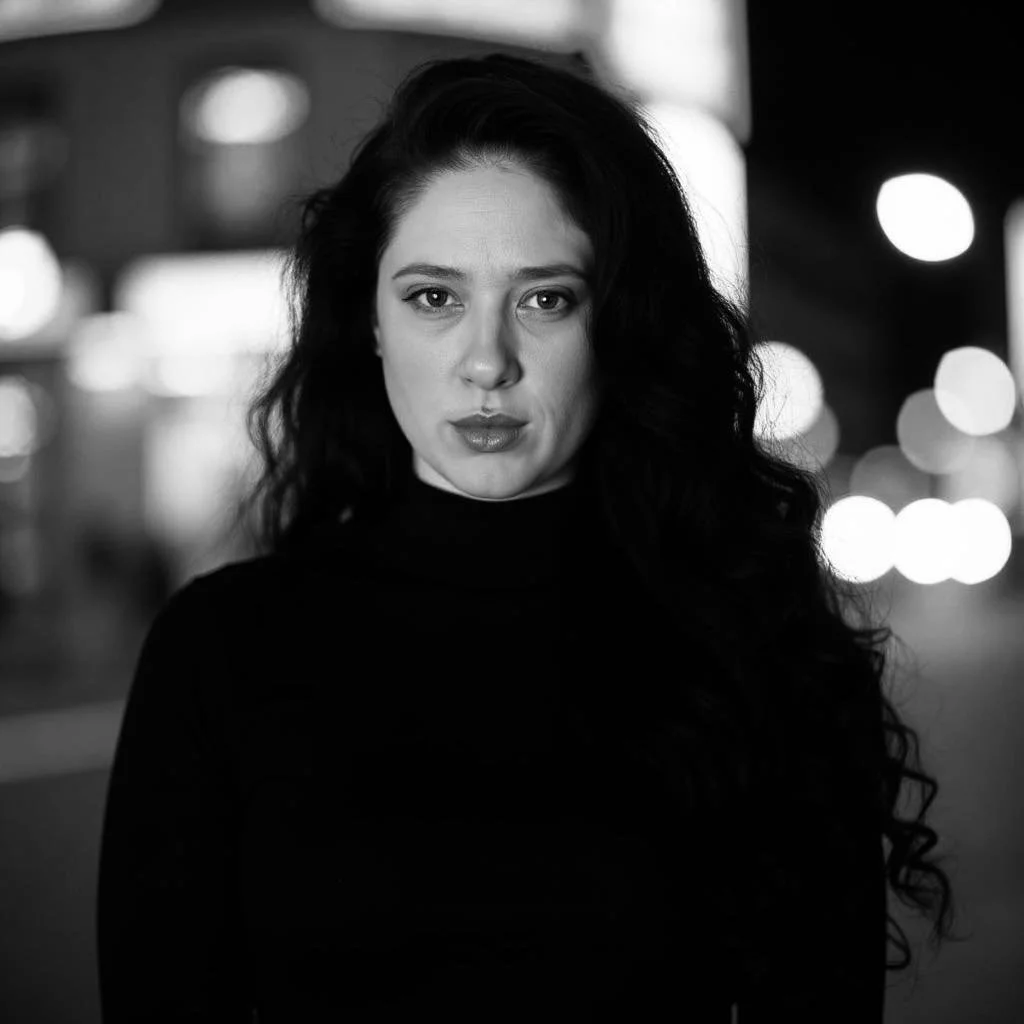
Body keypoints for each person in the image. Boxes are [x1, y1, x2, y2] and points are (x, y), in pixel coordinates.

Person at [96, 51, 963, 1022]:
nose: (486, 361)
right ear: (372, 319)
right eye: (434, 297)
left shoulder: (760, 648)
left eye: (544, 297)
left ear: (620, 319)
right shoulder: (221, 653)